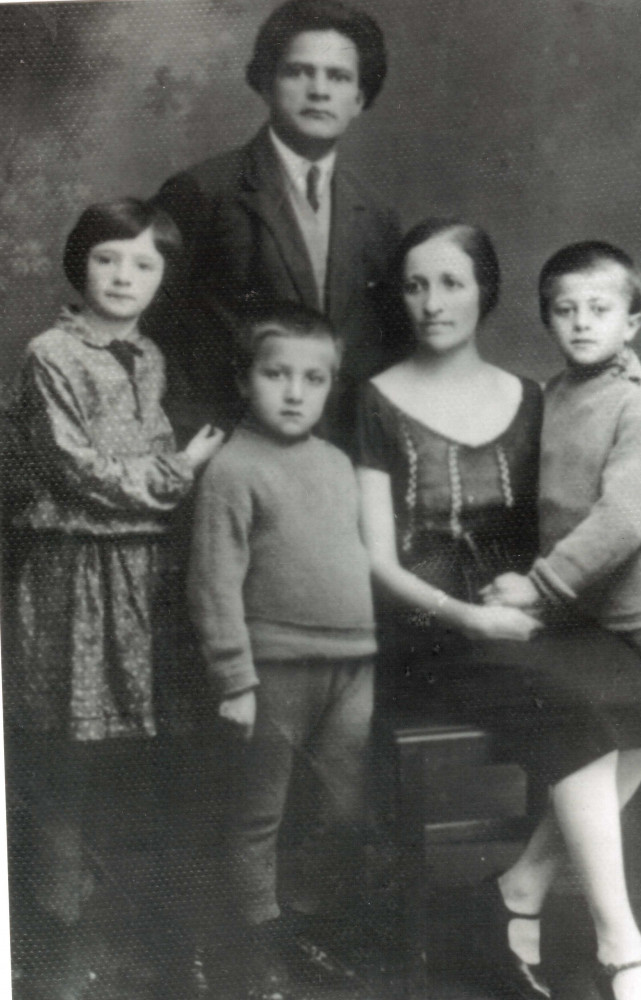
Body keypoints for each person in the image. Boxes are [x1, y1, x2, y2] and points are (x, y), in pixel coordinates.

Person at [355, 218, 641, 1000]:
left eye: (451, 283)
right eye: (415, 286)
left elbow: (597, 512)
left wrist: (533, 594)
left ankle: (519, 887)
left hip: (527, 607)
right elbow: (375, 558)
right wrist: (473, 616)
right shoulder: (376, 399)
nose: (433, 303)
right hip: (432, 627)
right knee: (575, 711)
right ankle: (620, 946)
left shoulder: (531, 395)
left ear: (484, 293)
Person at [7, 198, 224, 999]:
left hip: (147, 579)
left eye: (143, 264)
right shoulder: (49, 355)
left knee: (149, 759)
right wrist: (177, 473)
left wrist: (167, 480)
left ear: (163, 278)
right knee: (67, 757)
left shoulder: (153, 357)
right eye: (107, 259)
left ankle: (152, 944)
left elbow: (139, 468)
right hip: (74, 577)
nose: (123, 277)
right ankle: (58, 950)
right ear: (80, 265)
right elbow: (79, 473)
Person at [484, 241, 641, 1000]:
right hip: (579, 615)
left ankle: (533, 878)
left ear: (633, 321)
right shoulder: (552, 394)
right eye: (564, 310)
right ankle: (533, 886)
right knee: (628, 725)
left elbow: (622, 520)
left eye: (599, 309)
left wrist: (538, 586)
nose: (581, 323)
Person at [187, 302, 377, 998]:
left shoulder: (337, 462)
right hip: (272, 670)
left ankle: (303, 925)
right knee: (258, 813)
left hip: (352, 664)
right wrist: (234, 680)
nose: (295, 393)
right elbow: (213, 581)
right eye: (276, 375)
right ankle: (257, 949)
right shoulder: (233, 468)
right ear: (245, 380)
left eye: (313, 378)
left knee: (340, 807)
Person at [152, 0, 402, 450]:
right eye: (299, 72)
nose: (319, 91)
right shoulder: (202, 193)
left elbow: (385, 350)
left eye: (338, 77)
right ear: (266, 83)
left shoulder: (378, 216)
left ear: (359, 99)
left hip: (340, 458)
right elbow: (150, 340)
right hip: (225, 453)